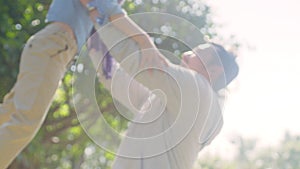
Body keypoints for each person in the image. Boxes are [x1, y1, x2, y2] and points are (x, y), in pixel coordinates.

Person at [0, 0, 164, 168]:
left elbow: (104, 60)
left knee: (9, 111)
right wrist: (145, 42)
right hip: (53, 46)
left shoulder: (91, 15)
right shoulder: (98, 5)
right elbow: (110, 11)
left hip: (50, 48)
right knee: (25, 123)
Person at [87, 22, 239, 169]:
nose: (185, 55)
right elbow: (116, 79)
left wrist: (101, 16)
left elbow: (137, 61)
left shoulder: (199, 90)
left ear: (213, 71)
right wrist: (94, 39)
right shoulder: (174, 104)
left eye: (196, 53)